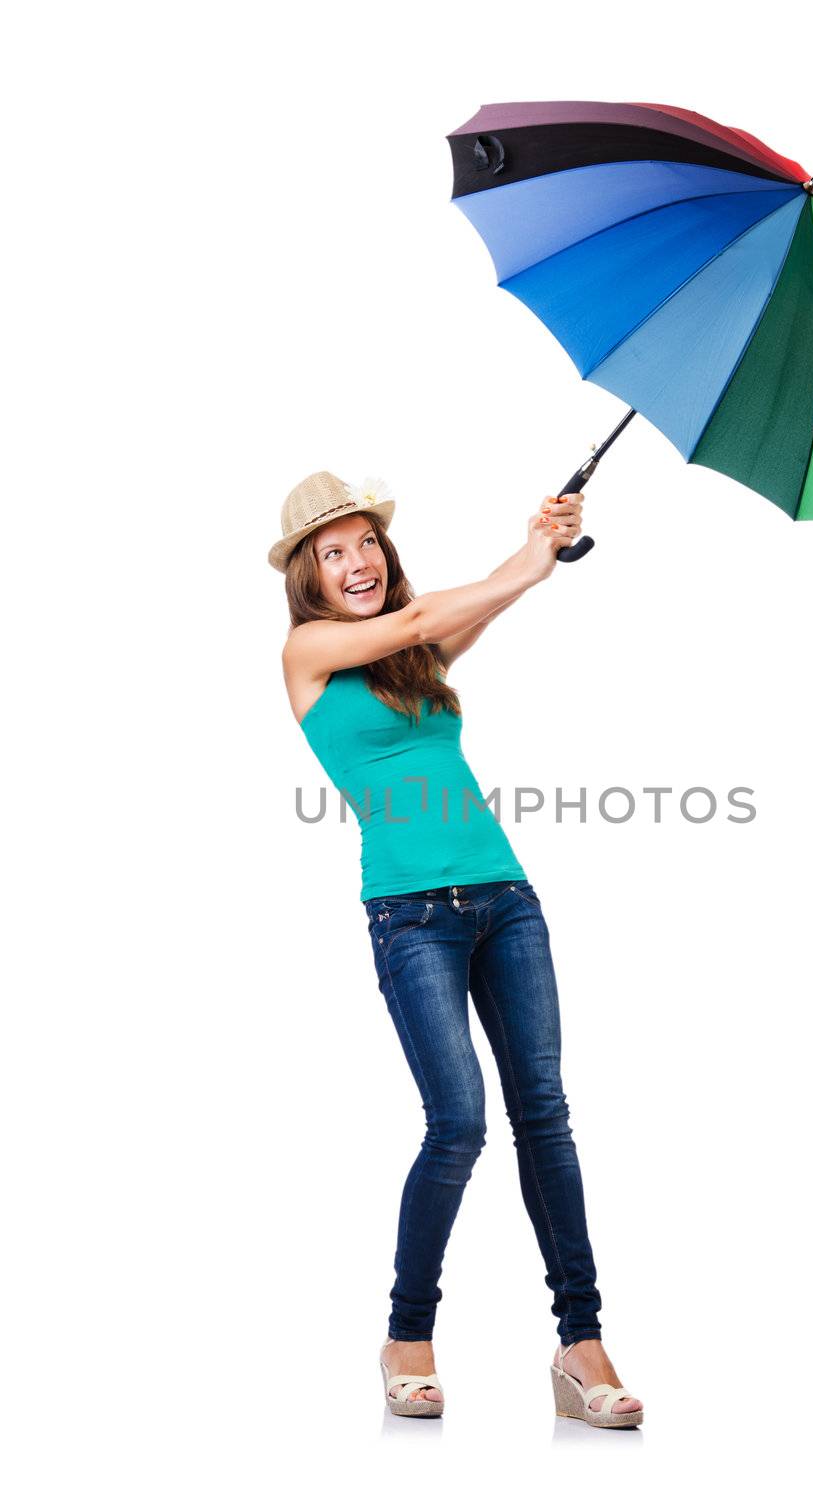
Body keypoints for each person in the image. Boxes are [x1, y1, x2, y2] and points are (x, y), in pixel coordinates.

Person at [270, 469, 642, 1428]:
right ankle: (407, 1333)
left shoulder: (414, 655)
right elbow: (413, 621)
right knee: (459, 1123)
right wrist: (526, 560)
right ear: (309, 575)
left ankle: (581, 1342)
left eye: (367, 543)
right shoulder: (309, 650)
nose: (358, 561)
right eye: (334, 550)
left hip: (506, 898)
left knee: (545, 1116)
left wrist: (539, 556)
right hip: (410, 915)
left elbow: (444, 625)